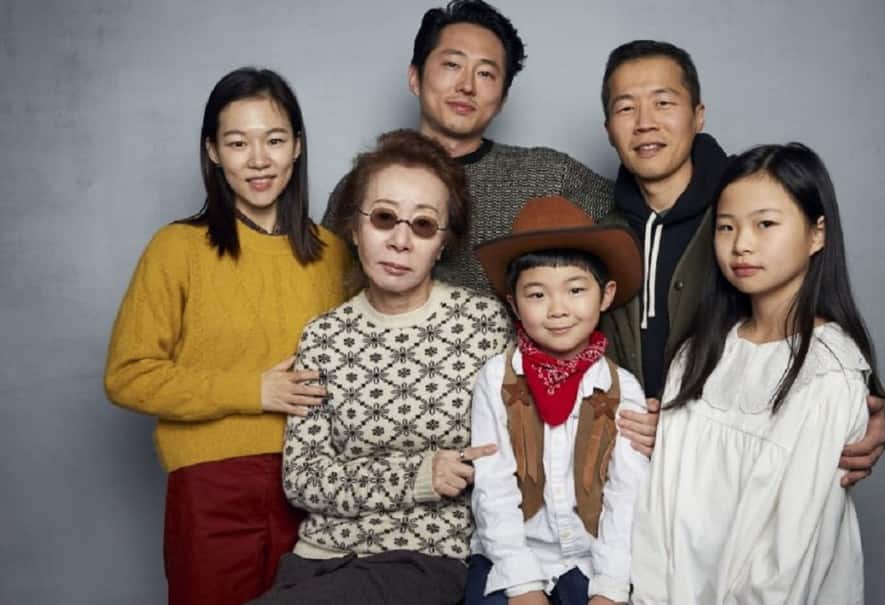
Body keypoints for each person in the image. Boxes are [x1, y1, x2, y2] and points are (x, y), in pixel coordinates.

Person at [598, 40, 885, 483]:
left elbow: (821, 309)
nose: (645, 123)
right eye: (626, 109)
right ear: (608, 128)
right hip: (627, 480)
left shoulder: (751, 203)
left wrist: (877, 416)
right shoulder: (600, 232)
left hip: (738, 481)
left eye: (663, 102)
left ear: (698, 115)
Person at [104, 67, 351, 604]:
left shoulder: (334, 254)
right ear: (214, 152)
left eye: (275, 140)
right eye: (238, 143)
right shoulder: (178, 249)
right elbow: (128, 375)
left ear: (298, 147)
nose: (259, 159)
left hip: (319, 486)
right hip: (211, 485)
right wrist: (253, 392)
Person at [250, 129, 510, 605]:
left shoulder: (482, 324)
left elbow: (508, 453)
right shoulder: (323, 337)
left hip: (426, 559)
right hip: (317, 558)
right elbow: (303, 478)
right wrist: (418, 475)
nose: (401, 241)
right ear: (354, 227)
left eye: (424, 225)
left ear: (443, 243)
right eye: (385, 218)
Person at [631, 143, 885, 603]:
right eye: (726, 227)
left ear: (816, 234)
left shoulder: (828, 371)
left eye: (765, 224)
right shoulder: (699, 354)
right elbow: (659, 510)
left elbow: (790, 555)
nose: (741, 244)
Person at [321, 0, 613, 296]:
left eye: (486, 73)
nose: (467, 86)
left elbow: (637, 226)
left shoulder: (550, 176)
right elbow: (325, 285)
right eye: (452, 64)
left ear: (502, 100)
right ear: (415, 77)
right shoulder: (366, 184)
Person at [467, 196, 650, 605]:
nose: (558, 310)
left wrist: (610, 587)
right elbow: (492, 488)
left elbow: (626, 495)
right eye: (537, 295)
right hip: (512, 552)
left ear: (606, 295)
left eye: (576, 290)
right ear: (513, 304)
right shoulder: (496, 379)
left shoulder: (625, 389)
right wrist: (521, 583)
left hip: (593, 559)